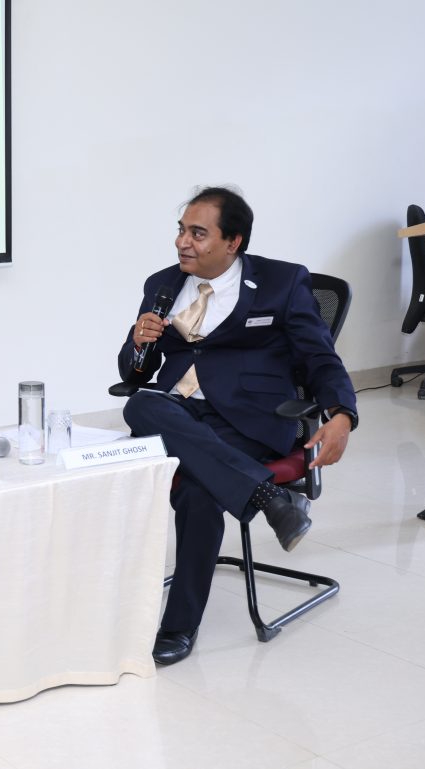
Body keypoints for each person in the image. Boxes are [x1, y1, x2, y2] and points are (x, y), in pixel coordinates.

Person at [117, 186, 357, 666]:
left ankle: (179, 626)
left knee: (199, 489)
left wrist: (343, 414)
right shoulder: (162, 284)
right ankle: (267, 497)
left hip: (249, 418)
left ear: (233, 242)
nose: (183, 242)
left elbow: (319, 358)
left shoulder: (281, 282)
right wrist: (139, 343)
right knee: (140, 405)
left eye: (198, 233)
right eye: (181, 230)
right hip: (178, 413)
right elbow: (135, 374)